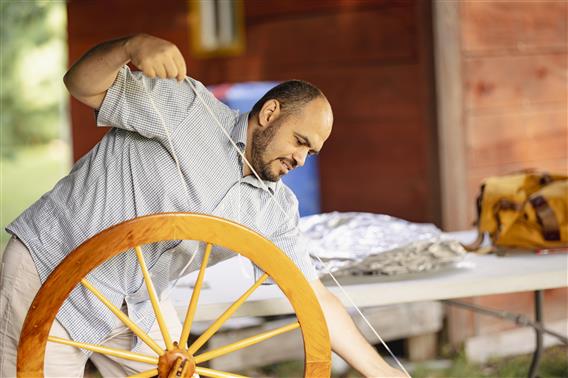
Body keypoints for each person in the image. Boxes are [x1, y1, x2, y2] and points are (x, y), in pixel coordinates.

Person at [0, 33, 406, 377]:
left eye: (312, 153)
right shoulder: (185, 108)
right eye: (300, 141)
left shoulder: (274, 211)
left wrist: (383, 372)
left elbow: (314, 298)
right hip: (51, 267)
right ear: (269, 113)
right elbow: (80, 83)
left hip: (135, 303)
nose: (301, 159)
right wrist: (132, 46)